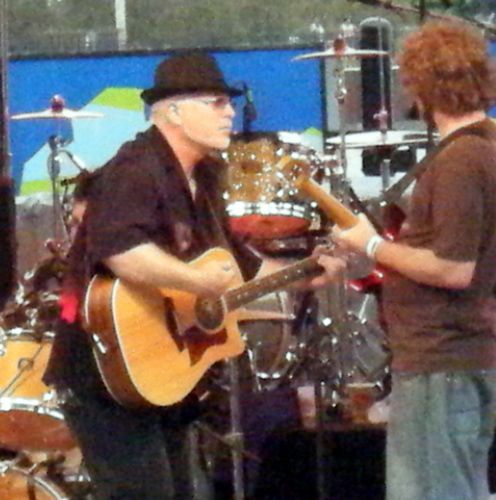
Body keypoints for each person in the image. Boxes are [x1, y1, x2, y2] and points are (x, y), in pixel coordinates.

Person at [43, 50, 344, 499]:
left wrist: (303, 273)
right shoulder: (135, 170)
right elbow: (123, 253)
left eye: (229, 103)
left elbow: (238, 267)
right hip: (106, 374)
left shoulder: (205, 178)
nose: (230, 113)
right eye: (216, 103)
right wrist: (196, 282)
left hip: (163, 376)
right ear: (174, 112)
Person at [333, 21, 496, 500]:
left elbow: (453, 269)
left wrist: (371, 246)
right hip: (458, 361)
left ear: (421, 88)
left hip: (440, 365)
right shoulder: (484, 149)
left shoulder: (460, 161)